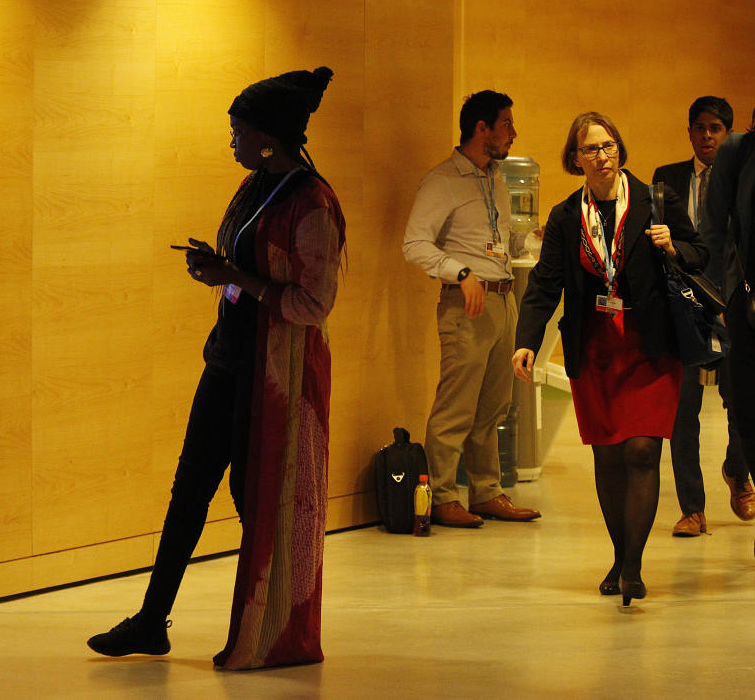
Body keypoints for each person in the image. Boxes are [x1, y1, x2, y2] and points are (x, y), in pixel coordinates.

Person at [87, 67, 345, 670]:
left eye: (238, 130)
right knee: (188, 493)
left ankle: (271, 620)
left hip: (275, 377)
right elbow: (248, 267)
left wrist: (235, 278)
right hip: (229, 362)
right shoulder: (257, 185)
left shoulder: (313, 202)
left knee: (253, 498)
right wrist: (220, 268)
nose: (230, 140)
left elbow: (314, 304)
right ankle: (152, 621)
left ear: (268, 138)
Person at [513, 112, 707, 606]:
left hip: (651, 348)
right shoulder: (563, 216)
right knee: (608, 455)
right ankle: (619, 558)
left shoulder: (654, 199)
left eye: (609, 145)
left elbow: (699, 251)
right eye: (590, 149)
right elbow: (544, 283)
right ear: (574, 159)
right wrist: (527, 340)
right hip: (596, 351)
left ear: (620, 149)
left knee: (642, 450)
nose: (602, 156)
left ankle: (634, 569)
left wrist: (675, 247)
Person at [403, 90, 540, 528]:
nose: (512, 134)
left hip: (504, 298)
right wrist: (460, 273)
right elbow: (415, 244)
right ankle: (442, 495)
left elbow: (502, 242)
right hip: (467, 306)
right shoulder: (441, 180)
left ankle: (486, 492)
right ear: (481, 129)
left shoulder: (494, 178)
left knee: (494, 407)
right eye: (506, 125)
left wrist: (536, 239)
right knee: (456, 407)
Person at [652, 96, 755, 536]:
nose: (707, 135)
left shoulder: (742, 166)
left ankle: (737, 469)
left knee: (742, 401)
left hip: (734, 303)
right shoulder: (667, 179)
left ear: (729, 133)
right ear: (690, 132)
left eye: (716, 128)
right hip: (684, 305)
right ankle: (692, 507)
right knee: (683, 407)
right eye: (700, 127)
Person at [699, 107, 755, 549]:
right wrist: (716, 299)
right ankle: (740, 468)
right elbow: (713, 231)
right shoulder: (738, 151)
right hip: (745, 301)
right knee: (741, 399)